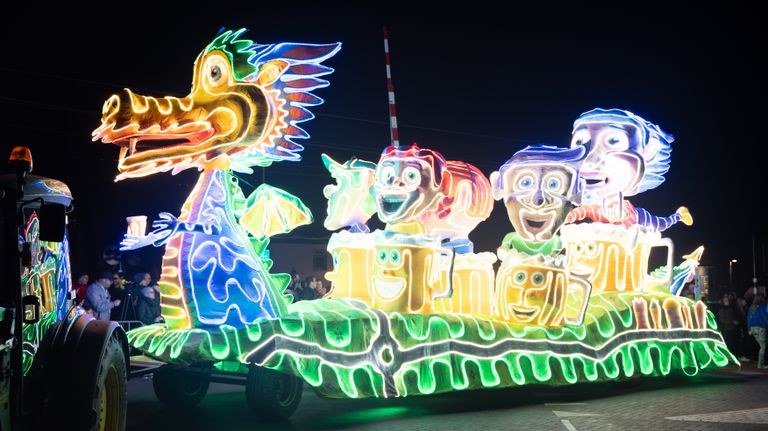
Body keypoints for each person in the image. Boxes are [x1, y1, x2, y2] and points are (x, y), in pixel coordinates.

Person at [719, 295, 744, 359]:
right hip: (727, 329)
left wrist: (736, 322)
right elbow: (722, 320)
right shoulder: (722, 309)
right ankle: (729, 358)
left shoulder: (732, 308)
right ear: (723, 302)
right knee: (729, 344)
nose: (727, 302)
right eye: (725, 301)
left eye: (727, 300)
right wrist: (732, 322)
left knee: (734, 344)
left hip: (734, 329)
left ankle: (735, 356)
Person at [747, 294, 768, 368]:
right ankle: (760, 364)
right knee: (763, 346)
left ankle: (761, 362)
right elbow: (765, 318)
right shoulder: (763, 307)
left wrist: (749, 329)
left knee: (761, 345)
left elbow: (748, 318)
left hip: (753, 328)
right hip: (761, 328)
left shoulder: (751, 307)